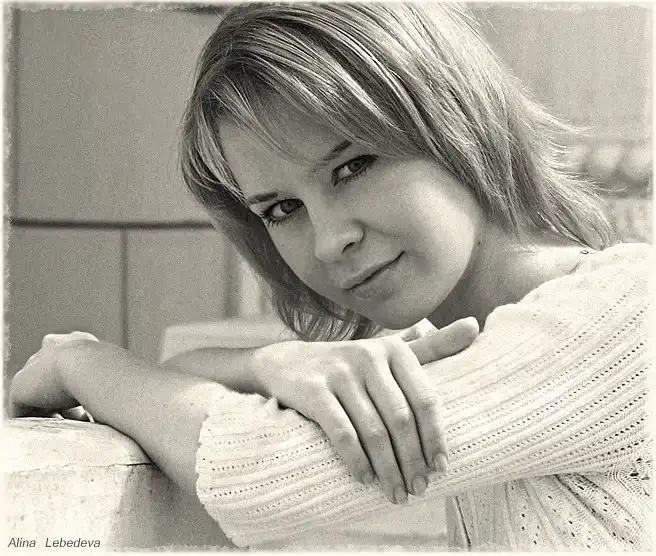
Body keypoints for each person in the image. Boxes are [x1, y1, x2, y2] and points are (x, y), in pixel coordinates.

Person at [10, 2, 650, 551]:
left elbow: (251, 478)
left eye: (353, 166)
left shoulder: (621, 312)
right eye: (281, 209)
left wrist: (84, 361)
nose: (327, 240)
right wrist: (273, 363)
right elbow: (182, 367)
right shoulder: (463, 340)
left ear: (456, 121)